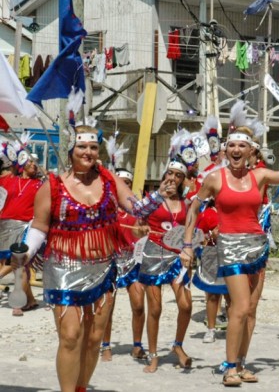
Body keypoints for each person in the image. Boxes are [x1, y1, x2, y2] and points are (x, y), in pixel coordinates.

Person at [13, 124, 177, 392]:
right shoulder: (52, 185)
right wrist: (27, 252)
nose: (88, 152)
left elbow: (136, 209)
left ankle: (80, 387)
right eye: (82, 146)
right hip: (63, 269)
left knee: (93, 339)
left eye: (92, 146)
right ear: (70, 150)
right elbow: (40, 226)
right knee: (70, 336)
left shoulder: (110, 180)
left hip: (102, 270)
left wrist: (159, 194)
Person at [183, 108, 279, 387]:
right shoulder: (215, 178)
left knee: (251, 311)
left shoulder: (260, 175)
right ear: (226, 150)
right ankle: (229, 367)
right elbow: (193, 208)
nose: (236, 149)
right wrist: (187, 244)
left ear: (251, 150)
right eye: (232, 145)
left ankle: (241, 364)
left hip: (257, 247)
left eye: (242, 145)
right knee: (239, 307)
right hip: (229, 247)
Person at [138, 161, 193, 373]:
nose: (173, 178)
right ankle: (152, 355)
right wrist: (140, 230)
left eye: (178, 175)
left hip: (178, 256)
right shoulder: (152, 199)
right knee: (155, 308)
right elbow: (137, 224)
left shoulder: (186, 202)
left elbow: (191, 228)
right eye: (170, 173)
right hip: (153, 254)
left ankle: (177, 346)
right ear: (164, 174)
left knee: (186, 305)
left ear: (182, 180)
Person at [100, 168, 148, 361]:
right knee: (107, 305)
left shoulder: (136, 211)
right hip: (110, 259)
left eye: (126, 183)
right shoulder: (104, 209)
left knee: (138, 305)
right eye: (120, 182)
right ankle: (105, 345)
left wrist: (142, 231)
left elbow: (140, 232)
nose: (123, 186)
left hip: (132, 260)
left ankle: (137, 345)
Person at [0, 149, 42, 316]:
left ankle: (18, 303)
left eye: (35, 163)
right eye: (30, 162)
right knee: (18, 265)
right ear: (22, 164)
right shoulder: (9, 180)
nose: (33, 165)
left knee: (20, 264)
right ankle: (30, 300)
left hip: (25, 227)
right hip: (5, 226)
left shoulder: (40, 184)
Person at [192, 198, 229, 344]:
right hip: (212, 256)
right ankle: (211, 329)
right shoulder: (207, 214)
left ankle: (233, 328)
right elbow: (198, 237)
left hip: (230, 255)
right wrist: (209, 236)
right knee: (213, 295)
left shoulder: (232, 213)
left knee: (231, 295)